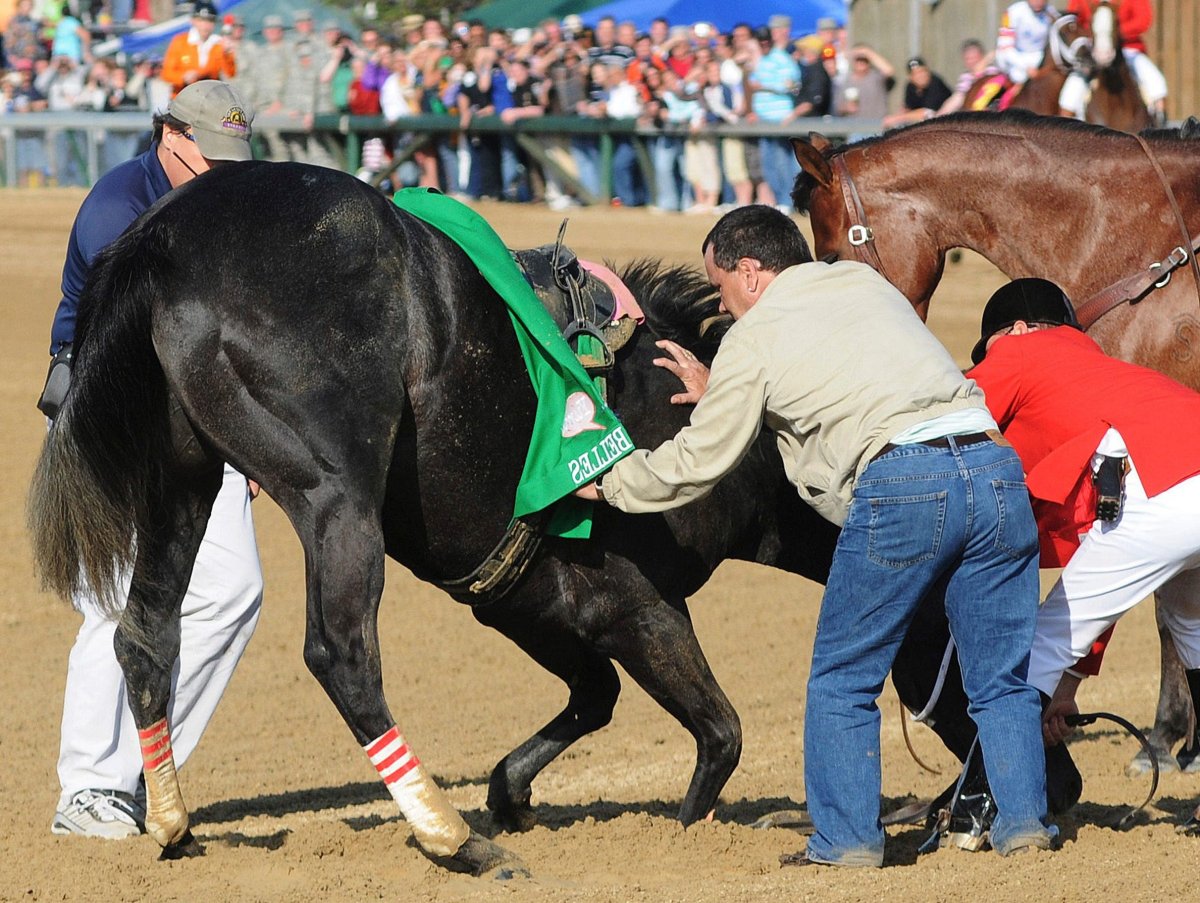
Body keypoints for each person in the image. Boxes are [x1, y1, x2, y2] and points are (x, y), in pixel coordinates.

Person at [576, 205, 1056, 866]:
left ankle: (848, 839)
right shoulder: (865, 284)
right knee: (1000, 677)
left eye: (720, 287)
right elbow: (851, 379)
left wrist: (613, 481)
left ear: (749, 272)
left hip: (906, 482)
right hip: (995, 471)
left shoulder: (753, 337)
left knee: (843, 676)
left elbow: (696, 465)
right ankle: (1026, 823)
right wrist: (725, 388)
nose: (723, 303)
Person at [43, 81, 264, 839]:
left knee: (232, 592)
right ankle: (89, 786)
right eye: (211, 156)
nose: (225, 172)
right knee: (113, 599)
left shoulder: (224, 201)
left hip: (199, 420)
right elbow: (118, 360)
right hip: (111, 418)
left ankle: (141, 773)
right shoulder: (117, 210)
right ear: (169, 136)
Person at [967, 279, 1200, 749]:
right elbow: (1112, 559)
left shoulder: (1018, 351)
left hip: (1160, 486)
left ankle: (989, 799)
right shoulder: (1107, 374)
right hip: (1168, 483)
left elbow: (944, 420)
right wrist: (1067, 686)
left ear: (1016, 329)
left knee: (1037, 650)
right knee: (1192, 626)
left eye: (987, 349)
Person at [1059, 0, 1167, 123]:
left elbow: (1143, 20)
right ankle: (1065, 123)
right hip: (1092, 49)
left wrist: (1114, 32)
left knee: (1155, 80)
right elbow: (1073, 19)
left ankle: (1159, 117)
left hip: (1128, 47)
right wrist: (1094, 34)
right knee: (1072, 88)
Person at [746, 14, 800, 212]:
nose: (764, 45)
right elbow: (753, 84)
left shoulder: (783, 59)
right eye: (761, 42)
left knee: (781, 161)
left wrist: (765, 86)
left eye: (766, 42)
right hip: (764, 118)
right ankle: (779, 200)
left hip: (780, 118)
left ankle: (787, 200)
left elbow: (791, 86)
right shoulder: (760, 61)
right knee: (767, 164)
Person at [161, 1, 235, 98]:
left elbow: (230, 73)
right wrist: (183, 77)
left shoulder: (218, 44)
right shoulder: (180, 42)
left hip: (209, 98)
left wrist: (227, 54)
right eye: (201, 20)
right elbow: (166, 73)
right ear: (193, 21)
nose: (205, 25)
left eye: (210, 20)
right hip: (182, 97)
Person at [995, 0, 1059, 86]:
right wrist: (1026, 67)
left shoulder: (1052, 12)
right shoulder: (1013, 12)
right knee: (1019, 76)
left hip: (1039, 58)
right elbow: (1005, 49)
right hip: (1015, 58)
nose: (1038, 2)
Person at [882, 57, 952, 128]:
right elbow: (907, 108)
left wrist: (896, 118)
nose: (921, 75)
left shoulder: (935, 83)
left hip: (948, 123)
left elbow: (928, 113)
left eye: (923, 71)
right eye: (916, 73)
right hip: (930, 125)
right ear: (910, 77)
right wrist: (895, 119)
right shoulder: (911, 86)